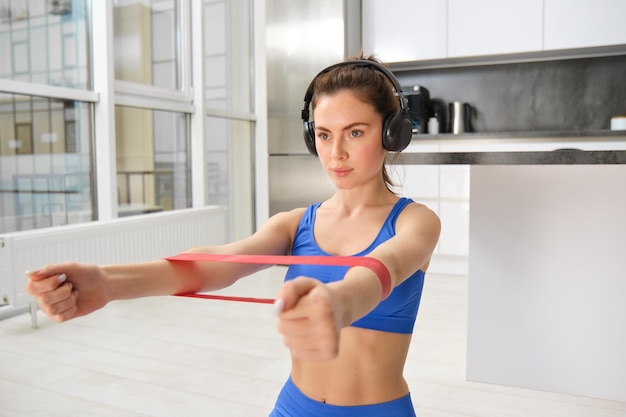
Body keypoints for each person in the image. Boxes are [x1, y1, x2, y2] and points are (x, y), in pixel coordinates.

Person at [26, 54, 441, 417]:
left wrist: (339, 302)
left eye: (355, 132)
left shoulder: (417, 222)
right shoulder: (295, 223)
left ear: (392, 134)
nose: (336, 154)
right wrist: (107, 283)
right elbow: (215, 263)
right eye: (323, 134)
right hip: (293, 407)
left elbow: (381, 269)